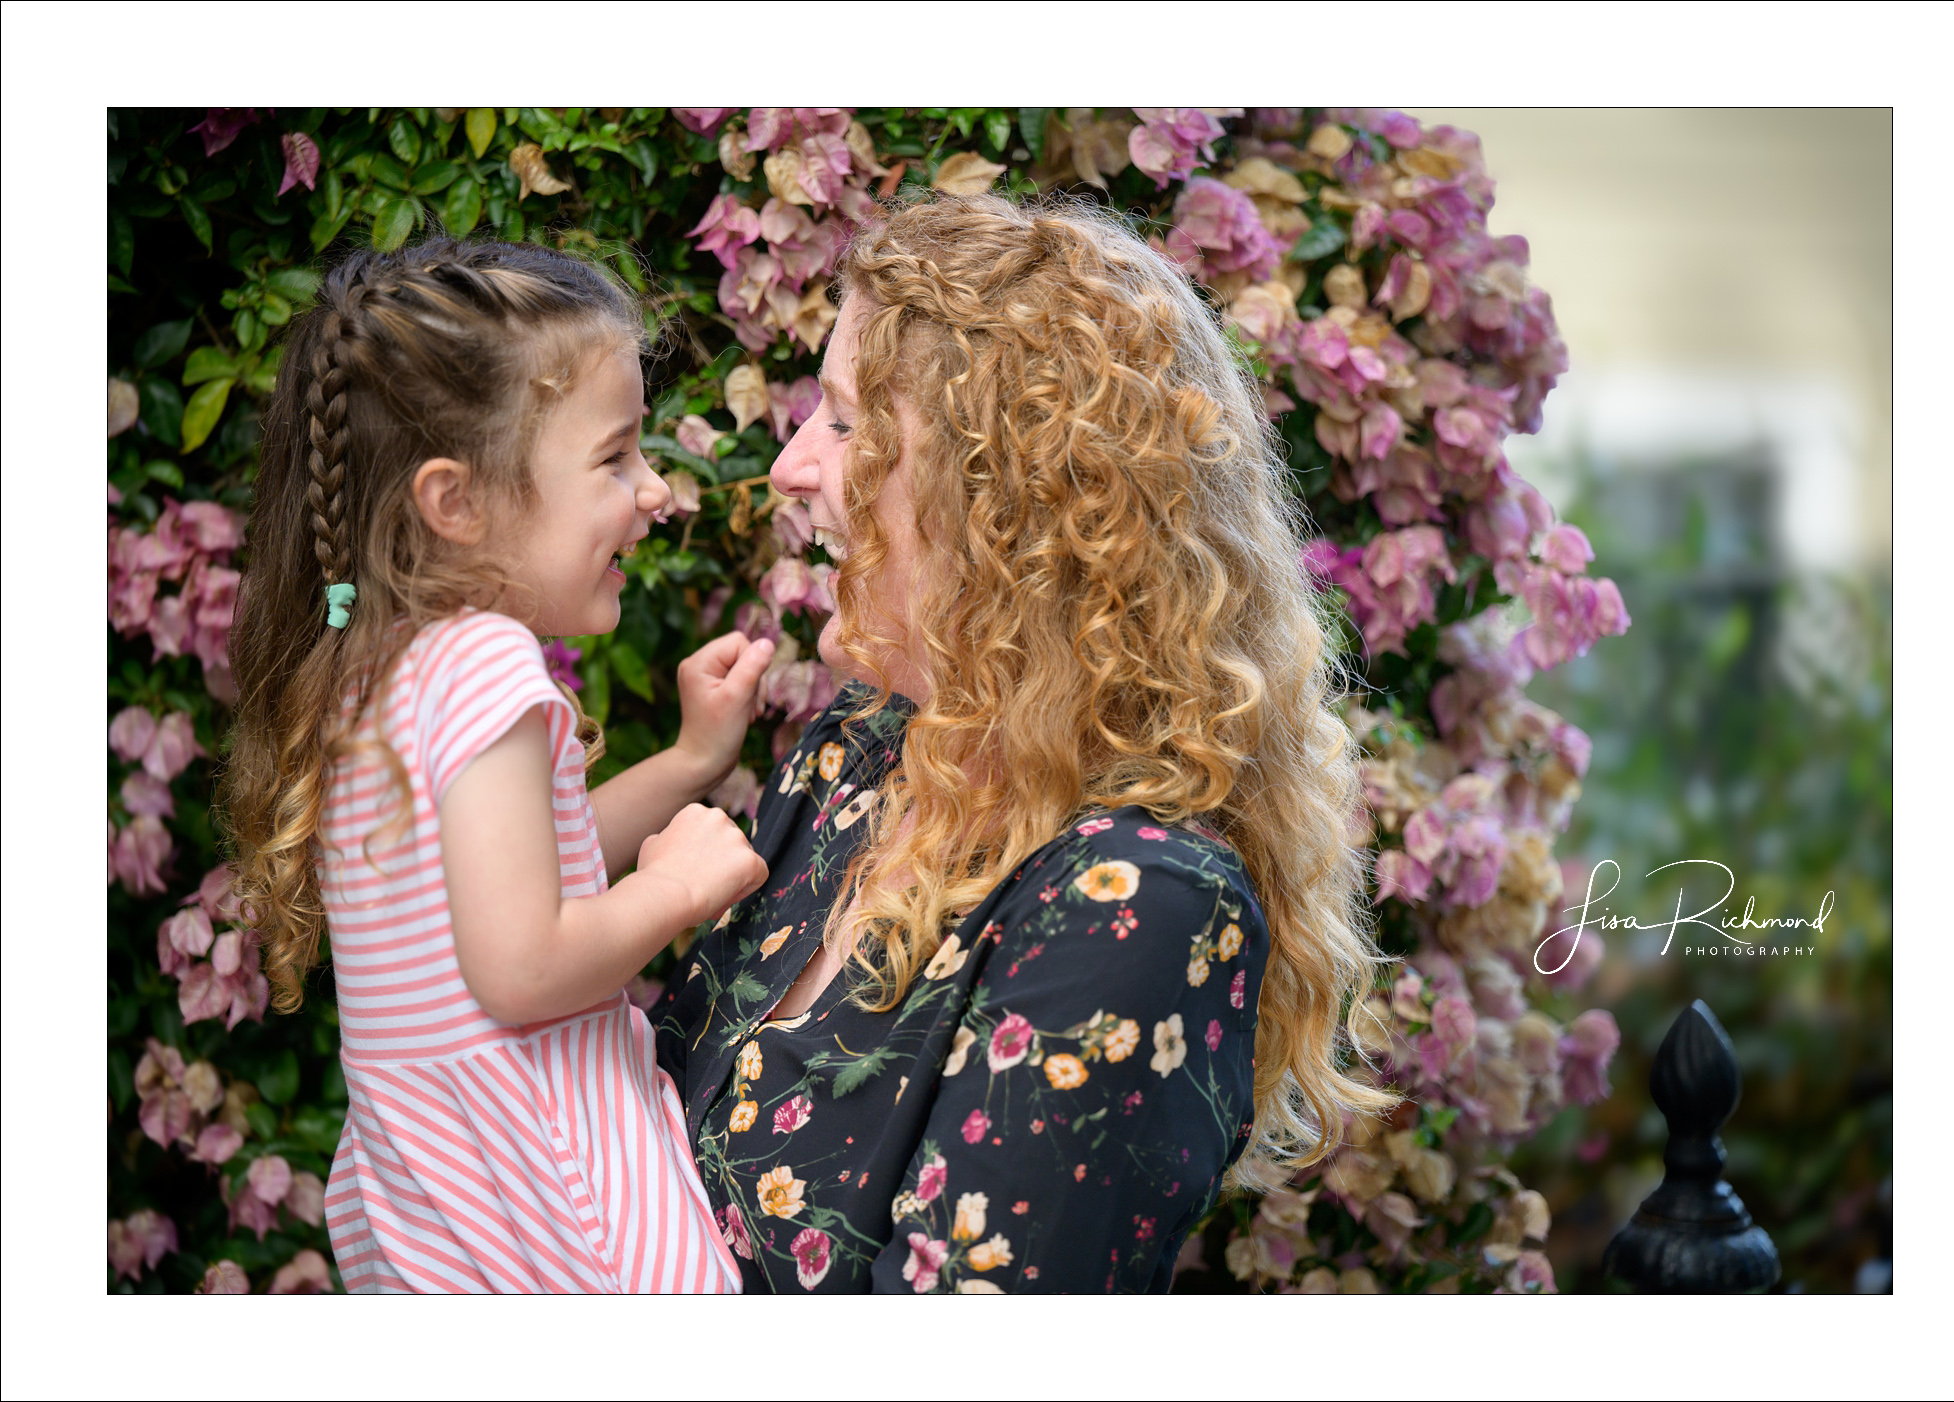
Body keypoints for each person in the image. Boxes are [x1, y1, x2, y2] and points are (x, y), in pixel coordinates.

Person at [653, 195, 1393, 1294]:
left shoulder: (1134, 903)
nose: (791, 465)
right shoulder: (858, 753)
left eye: (850, 424)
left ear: (1007, 500)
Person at [223, 238, 772, 1293]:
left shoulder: (371, 670)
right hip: (549, 1199)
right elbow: (521, 968)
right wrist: (678, 887)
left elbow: (525, 873)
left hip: (439, 1203)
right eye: (614, 458)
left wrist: (689, 758)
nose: (654, 490)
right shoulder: (483, 657)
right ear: (456, 501)